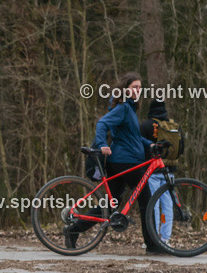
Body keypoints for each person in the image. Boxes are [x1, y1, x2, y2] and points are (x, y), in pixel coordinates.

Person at [66, 72, 162, 253]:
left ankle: (74, 230)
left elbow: (134, 138)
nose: (138, 90)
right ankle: (153, 245)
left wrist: (151, 145)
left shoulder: (130, 109)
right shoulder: (123, 108)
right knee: (147, 202)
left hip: (122, 161)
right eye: (134, 87)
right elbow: (102, 124)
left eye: (140, 88)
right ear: (125, 89)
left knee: (110, 206)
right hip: (127, 162)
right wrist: (102, 144)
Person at [140, 98, 183, 244]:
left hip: (152, 171)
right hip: (169, 170)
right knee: (167, 204)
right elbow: (181, 148)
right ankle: (165, 238)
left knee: (154, 204)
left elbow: (140, 146)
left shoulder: (146, 125)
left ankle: (154, 237)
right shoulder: (173, 126)